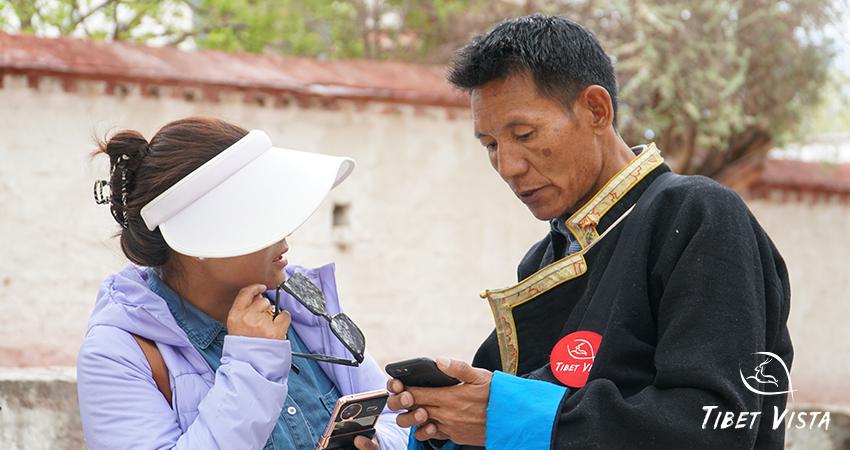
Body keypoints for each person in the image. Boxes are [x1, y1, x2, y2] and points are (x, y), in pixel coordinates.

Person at [387, 15, 792, 450]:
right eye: (491, 145)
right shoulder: (546, 256)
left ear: (596, 110)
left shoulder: (697, 214)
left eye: (524, 134)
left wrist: (510, 415)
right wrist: (443, 422)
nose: (508, 167)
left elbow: (711, 424)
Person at [77, 116, 408, 450]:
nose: (284, 236)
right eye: (259, 219)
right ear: (200, 238)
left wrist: (380, 445)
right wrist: (253, 363)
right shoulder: (116, 353)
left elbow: (392, 416)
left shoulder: (303, 304)